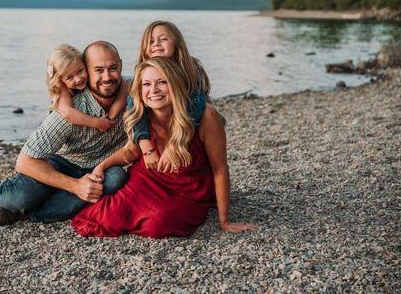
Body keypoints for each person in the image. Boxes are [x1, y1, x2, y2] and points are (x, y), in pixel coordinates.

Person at [72, 57, 257, 238]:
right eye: (146, 84)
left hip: (189, 191)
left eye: (162, 82)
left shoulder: (205, 117)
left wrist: (224, 221)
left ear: (175, 85)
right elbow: (131, 151)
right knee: (102, 216)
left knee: (159, 223)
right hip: (147, 179)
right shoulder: (142, 116)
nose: (153, 90)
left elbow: (220, 170)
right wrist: (102, 166)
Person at [0, 41, 128, 225]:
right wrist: (74, 185)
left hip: (101, 168)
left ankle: (28, 215)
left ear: (120, 65)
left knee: (115, 179)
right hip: (62, 163)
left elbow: (146, 78)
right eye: (98, 70)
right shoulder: (70, 111)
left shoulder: (135, 94)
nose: (107, 77)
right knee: (21, 196)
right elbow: (24, 162)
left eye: (112, 68)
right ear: (88, 71)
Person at [131, 21, 215, 173]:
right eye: (150, 41)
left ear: (177, 44)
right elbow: (134, 107)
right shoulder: (143, 72)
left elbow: (196, 105)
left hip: (186, 126)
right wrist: (145, 146)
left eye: (163, 39)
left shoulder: (190, 69)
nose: (156, 44)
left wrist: (175, 145)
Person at [46, 44, 127, 132]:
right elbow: (67, 113)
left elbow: (124, 86)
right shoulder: (62, 89)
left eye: (80, 71)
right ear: (60, 80)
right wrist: (98, 123)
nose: (78, 79)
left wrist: (111, 115)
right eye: (70, 77)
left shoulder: (93, 79)